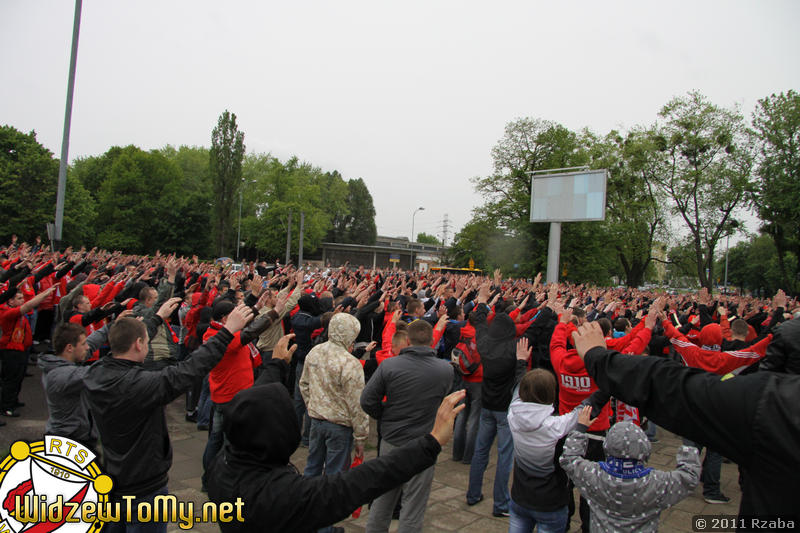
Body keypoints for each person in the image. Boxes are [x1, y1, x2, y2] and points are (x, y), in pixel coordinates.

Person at [569, 320, 800, 522]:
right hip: (722, 411)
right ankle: (712, 488)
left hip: (700, 408)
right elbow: (756, 349)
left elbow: (673, 359)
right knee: (715, 455)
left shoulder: (694, 352)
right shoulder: (736, 363)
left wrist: (599, 357)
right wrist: (773, 331)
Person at [208, 380, 466, 533]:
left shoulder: (223, 464)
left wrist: (275, 365)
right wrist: (431, 442)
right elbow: (362, 481)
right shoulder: (281, 496)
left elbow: (245, 411)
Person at [84, 303, 254, 533]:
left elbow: (130, 336)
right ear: (138, 344)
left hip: (111, 479)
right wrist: (227, 332)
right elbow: (191, 368)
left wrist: (156, 318)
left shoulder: (96, 373)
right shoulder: (141, 386)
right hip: (144, 488)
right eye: (147, 339)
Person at [360, 319, 455, 533]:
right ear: (432, 341)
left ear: (408, 340)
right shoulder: (444, 370)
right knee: (413, 507)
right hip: (423, 443)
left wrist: (384, 416)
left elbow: (367, 400)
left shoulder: (389, 366)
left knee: (382, 501)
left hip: (393, 439)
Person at [507, 367, 609, 533]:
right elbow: (589, 406)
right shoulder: (556, 427)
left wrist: (520, 362)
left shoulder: (512, 413)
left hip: (520, 498)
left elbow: (518, 385)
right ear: (552, 394)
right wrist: (611, 382)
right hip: (550, 504)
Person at [560, 413, 700, 532]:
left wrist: (580, 429)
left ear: (607, 446)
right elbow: (690, 477)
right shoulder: (657, 483)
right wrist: (688, 443)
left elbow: (569, 459)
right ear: (644, 447)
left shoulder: (593, 475)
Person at [299, 312, 369, 533]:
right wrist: (361, 436)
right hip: (339, 426)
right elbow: (357, 405)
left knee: (311, 470)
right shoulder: (350, 363)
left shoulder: (315, 352)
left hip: (317, 421)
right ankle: (323, 528)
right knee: (333, 479)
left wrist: (314, 406)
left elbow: (304, 385)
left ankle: (302, 519)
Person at [466, 282, 528, 517]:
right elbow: (521, 382)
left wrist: (482, 299)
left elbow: (480, 323)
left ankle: (473, 494)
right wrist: (521, 360)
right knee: (504, 456)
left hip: (487, 405)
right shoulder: (514, 349)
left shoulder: (485, 343)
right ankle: (500, 504)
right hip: (504, 410)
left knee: (481, 452)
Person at [39, 318, 128, 447]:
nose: (87, 347)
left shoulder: (61, 362)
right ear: (69, 348)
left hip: (75, 438)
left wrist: (113, 325)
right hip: (69, 443)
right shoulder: (61, 376)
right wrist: (125, 347)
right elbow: (100, 371)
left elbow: (91, 344)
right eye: (83, 344)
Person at [0, 285, 55, 417]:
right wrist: (44, 294)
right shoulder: (6, 313)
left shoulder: (12, 310)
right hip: (11, 351)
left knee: (18, 378)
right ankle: (6, 406)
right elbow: (28, 306)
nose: (22, 300)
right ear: (10, 301)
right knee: (11, 380)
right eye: (19, 298)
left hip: (21, 350)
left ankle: (13, 400)